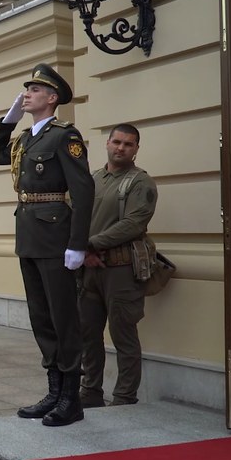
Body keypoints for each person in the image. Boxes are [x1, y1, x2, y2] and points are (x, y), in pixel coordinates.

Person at [0, 63, 94, 427]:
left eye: (34, 90)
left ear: (51, 98)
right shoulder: (26, 139)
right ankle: (53, 390)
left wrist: (78, 243)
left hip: (56, 236)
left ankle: (70, 398)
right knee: (41, 317)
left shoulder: (65, 135)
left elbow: (82, 189)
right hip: (30, 236)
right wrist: (8, 119)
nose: (26, 94)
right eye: (26, 89)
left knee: (63, 317)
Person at [79, 124, 158, 408]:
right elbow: (76, 215)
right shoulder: (93, 179)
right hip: (90, 269)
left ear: (137, 148)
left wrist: (90, 244)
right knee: (88, 334)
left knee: (123, 334)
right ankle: (90, 392)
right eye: (117, 142)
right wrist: (83, 250)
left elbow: (133, 224)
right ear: (107, 143)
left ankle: (124, 397)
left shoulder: (140, 183)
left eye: (128, 144)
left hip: (122, 270)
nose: (121, 148)